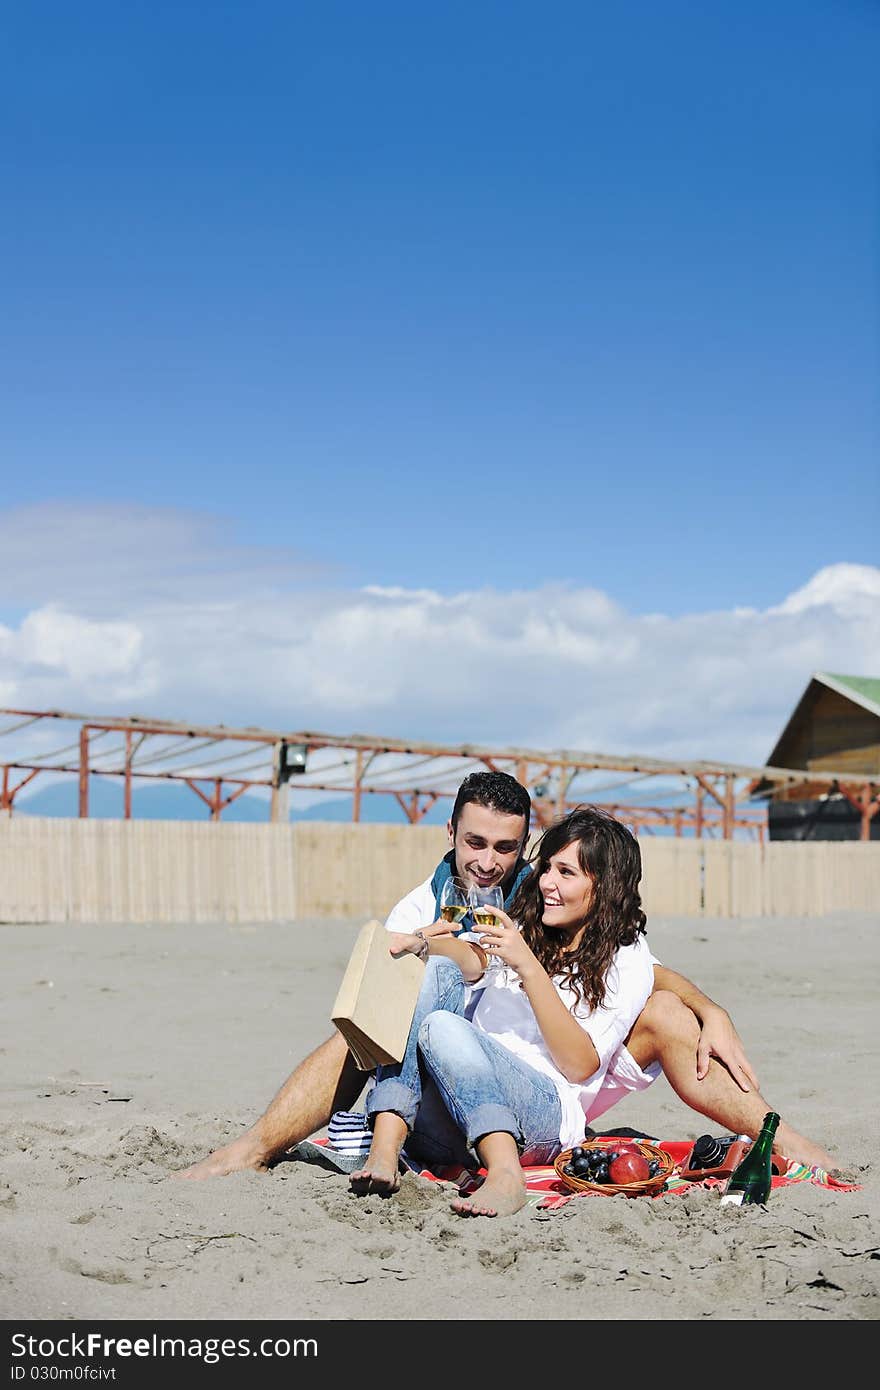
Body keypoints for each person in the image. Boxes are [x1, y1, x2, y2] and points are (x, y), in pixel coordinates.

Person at [175, 772, 836, 1183]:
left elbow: (642, 976)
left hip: (548, 1087)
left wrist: (710, 1009)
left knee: (670, 1013)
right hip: (454, 1062)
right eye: (475, 844)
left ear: (525, 846)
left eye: (509, 849)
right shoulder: (442, 904)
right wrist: (430, 942)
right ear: (451, 834)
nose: (493, 864)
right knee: (396, 1014)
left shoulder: (548, 903)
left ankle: (781, 1132)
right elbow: (463, 959)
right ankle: (276, 1145)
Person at [350, 806, 837, 1218]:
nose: (547, 884)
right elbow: (473, 963)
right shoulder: (527, 920)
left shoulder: (627, 961)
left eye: (567, 874)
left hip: (540, 1113)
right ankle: (387, 1147)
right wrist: (428, 945)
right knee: (433, 977)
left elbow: (580, 1065)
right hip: (461, 1103)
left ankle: (505, 1173)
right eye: (548, 868)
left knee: (442, 1028)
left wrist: (528, 967)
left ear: (602, 888)